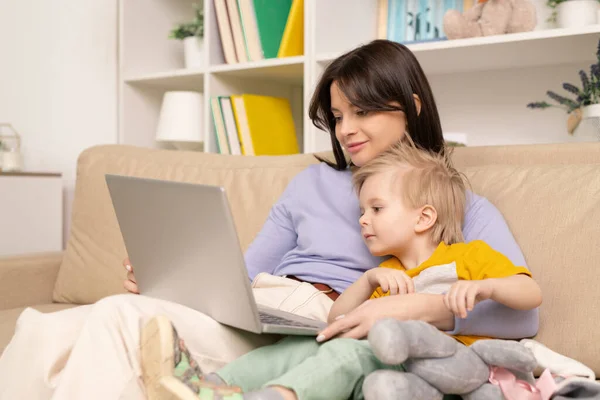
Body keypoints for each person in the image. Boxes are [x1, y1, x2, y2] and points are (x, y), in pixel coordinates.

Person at [0, 40, 538, 400]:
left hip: (317, 336)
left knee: (114, 320)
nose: (346, 129)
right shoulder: (308, 184)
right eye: (338, 115)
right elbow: (244, 274)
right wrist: (175, 283)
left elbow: (522, 319)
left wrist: (410, 308)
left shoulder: (452, 202)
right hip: (263, 318)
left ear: (412, 107)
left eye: (363, 111)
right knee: (47, 328)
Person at [137, 141, 543, 400]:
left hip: (429, 365)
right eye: (362, 211)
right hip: (376, 350)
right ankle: (209, 386)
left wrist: (486, 288)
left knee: (347, 353)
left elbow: (530, 296)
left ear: (424, 217)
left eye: (376, 209)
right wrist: (367, 280)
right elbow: (337, 320)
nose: (363, 220)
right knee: (298, 348)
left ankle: (277, 396)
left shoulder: (469, 256)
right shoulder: (388, 272)